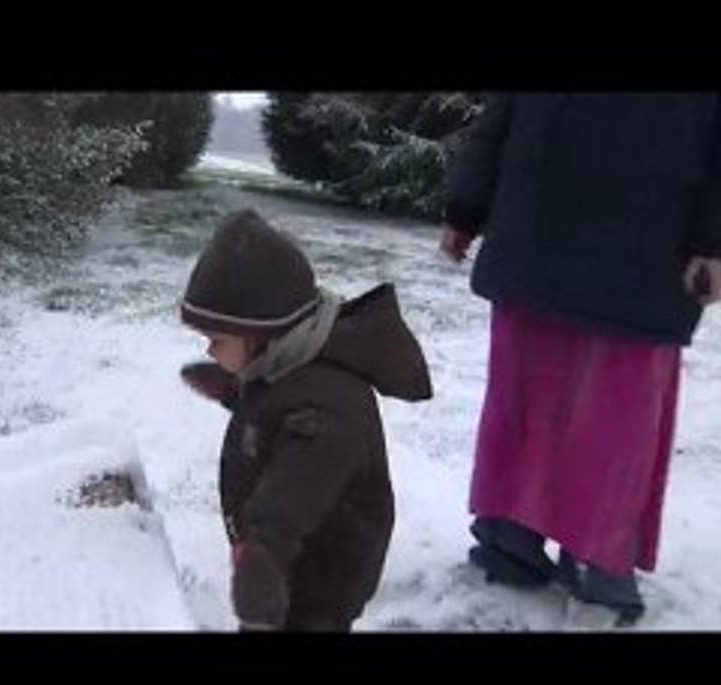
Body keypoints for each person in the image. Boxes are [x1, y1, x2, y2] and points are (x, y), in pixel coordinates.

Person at [440, 93, 721, 625]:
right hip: (535, 227)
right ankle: (510, 534)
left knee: (614, 417)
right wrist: (466, 206)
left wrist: (714, 241)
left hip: (647, 246)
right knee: (522, 400)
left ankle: (597, 557)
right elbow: (502, 113)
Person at [179, 208, 432, 631]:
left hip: (316, 578)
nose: (209, 351)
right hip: (286, 564)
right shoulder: (285, 363)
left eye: (217, 340)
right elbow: (277, 411)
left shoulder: (326, 410)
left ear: (262, 333)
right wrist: (235, 390)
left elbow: (294, 494)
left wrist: (263, 555)